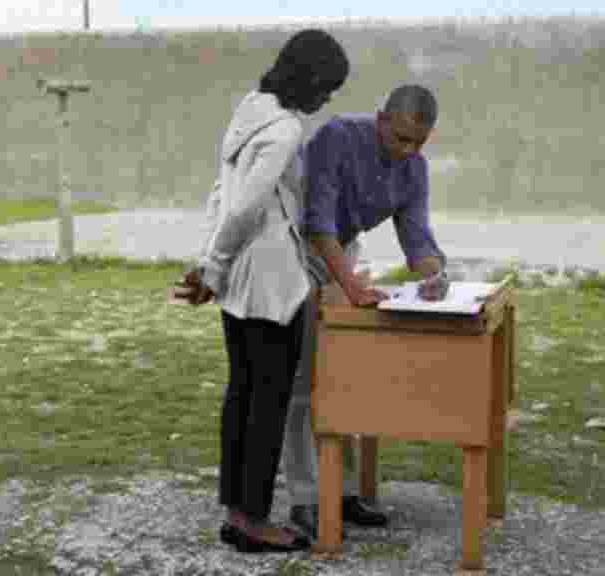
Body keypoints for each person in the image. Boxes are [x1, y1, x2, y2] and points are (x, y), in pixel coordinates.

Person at [171, 29, 349, 553]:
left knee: (242, 397)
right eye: (327, 88)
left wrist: (211, 268)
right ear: (308, 78)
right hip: (273, 286)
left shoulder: (248, 111)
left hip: (239, 283)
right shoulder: (285, 130)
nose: (326, 100)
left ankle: (238, 514)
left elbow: (220, 197)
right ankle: (252, 522)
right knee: (266, 402)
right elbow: (246, 208)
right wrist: (213, 264)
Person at [281, 84, 451, 540]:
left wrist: (432, 274)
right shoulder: (336, 137)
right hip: (292, 251)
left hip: (342, 252)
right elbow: (317, 222)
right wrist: (351, 286)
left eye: (419, 142)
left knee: (343, 377)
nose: (408, 150)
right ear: (381, 119)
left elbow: (417, 237)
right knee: (300, 381)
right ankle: (303, 498)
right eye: (400, 138)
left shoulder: (414, 168)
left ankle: (345, 491)